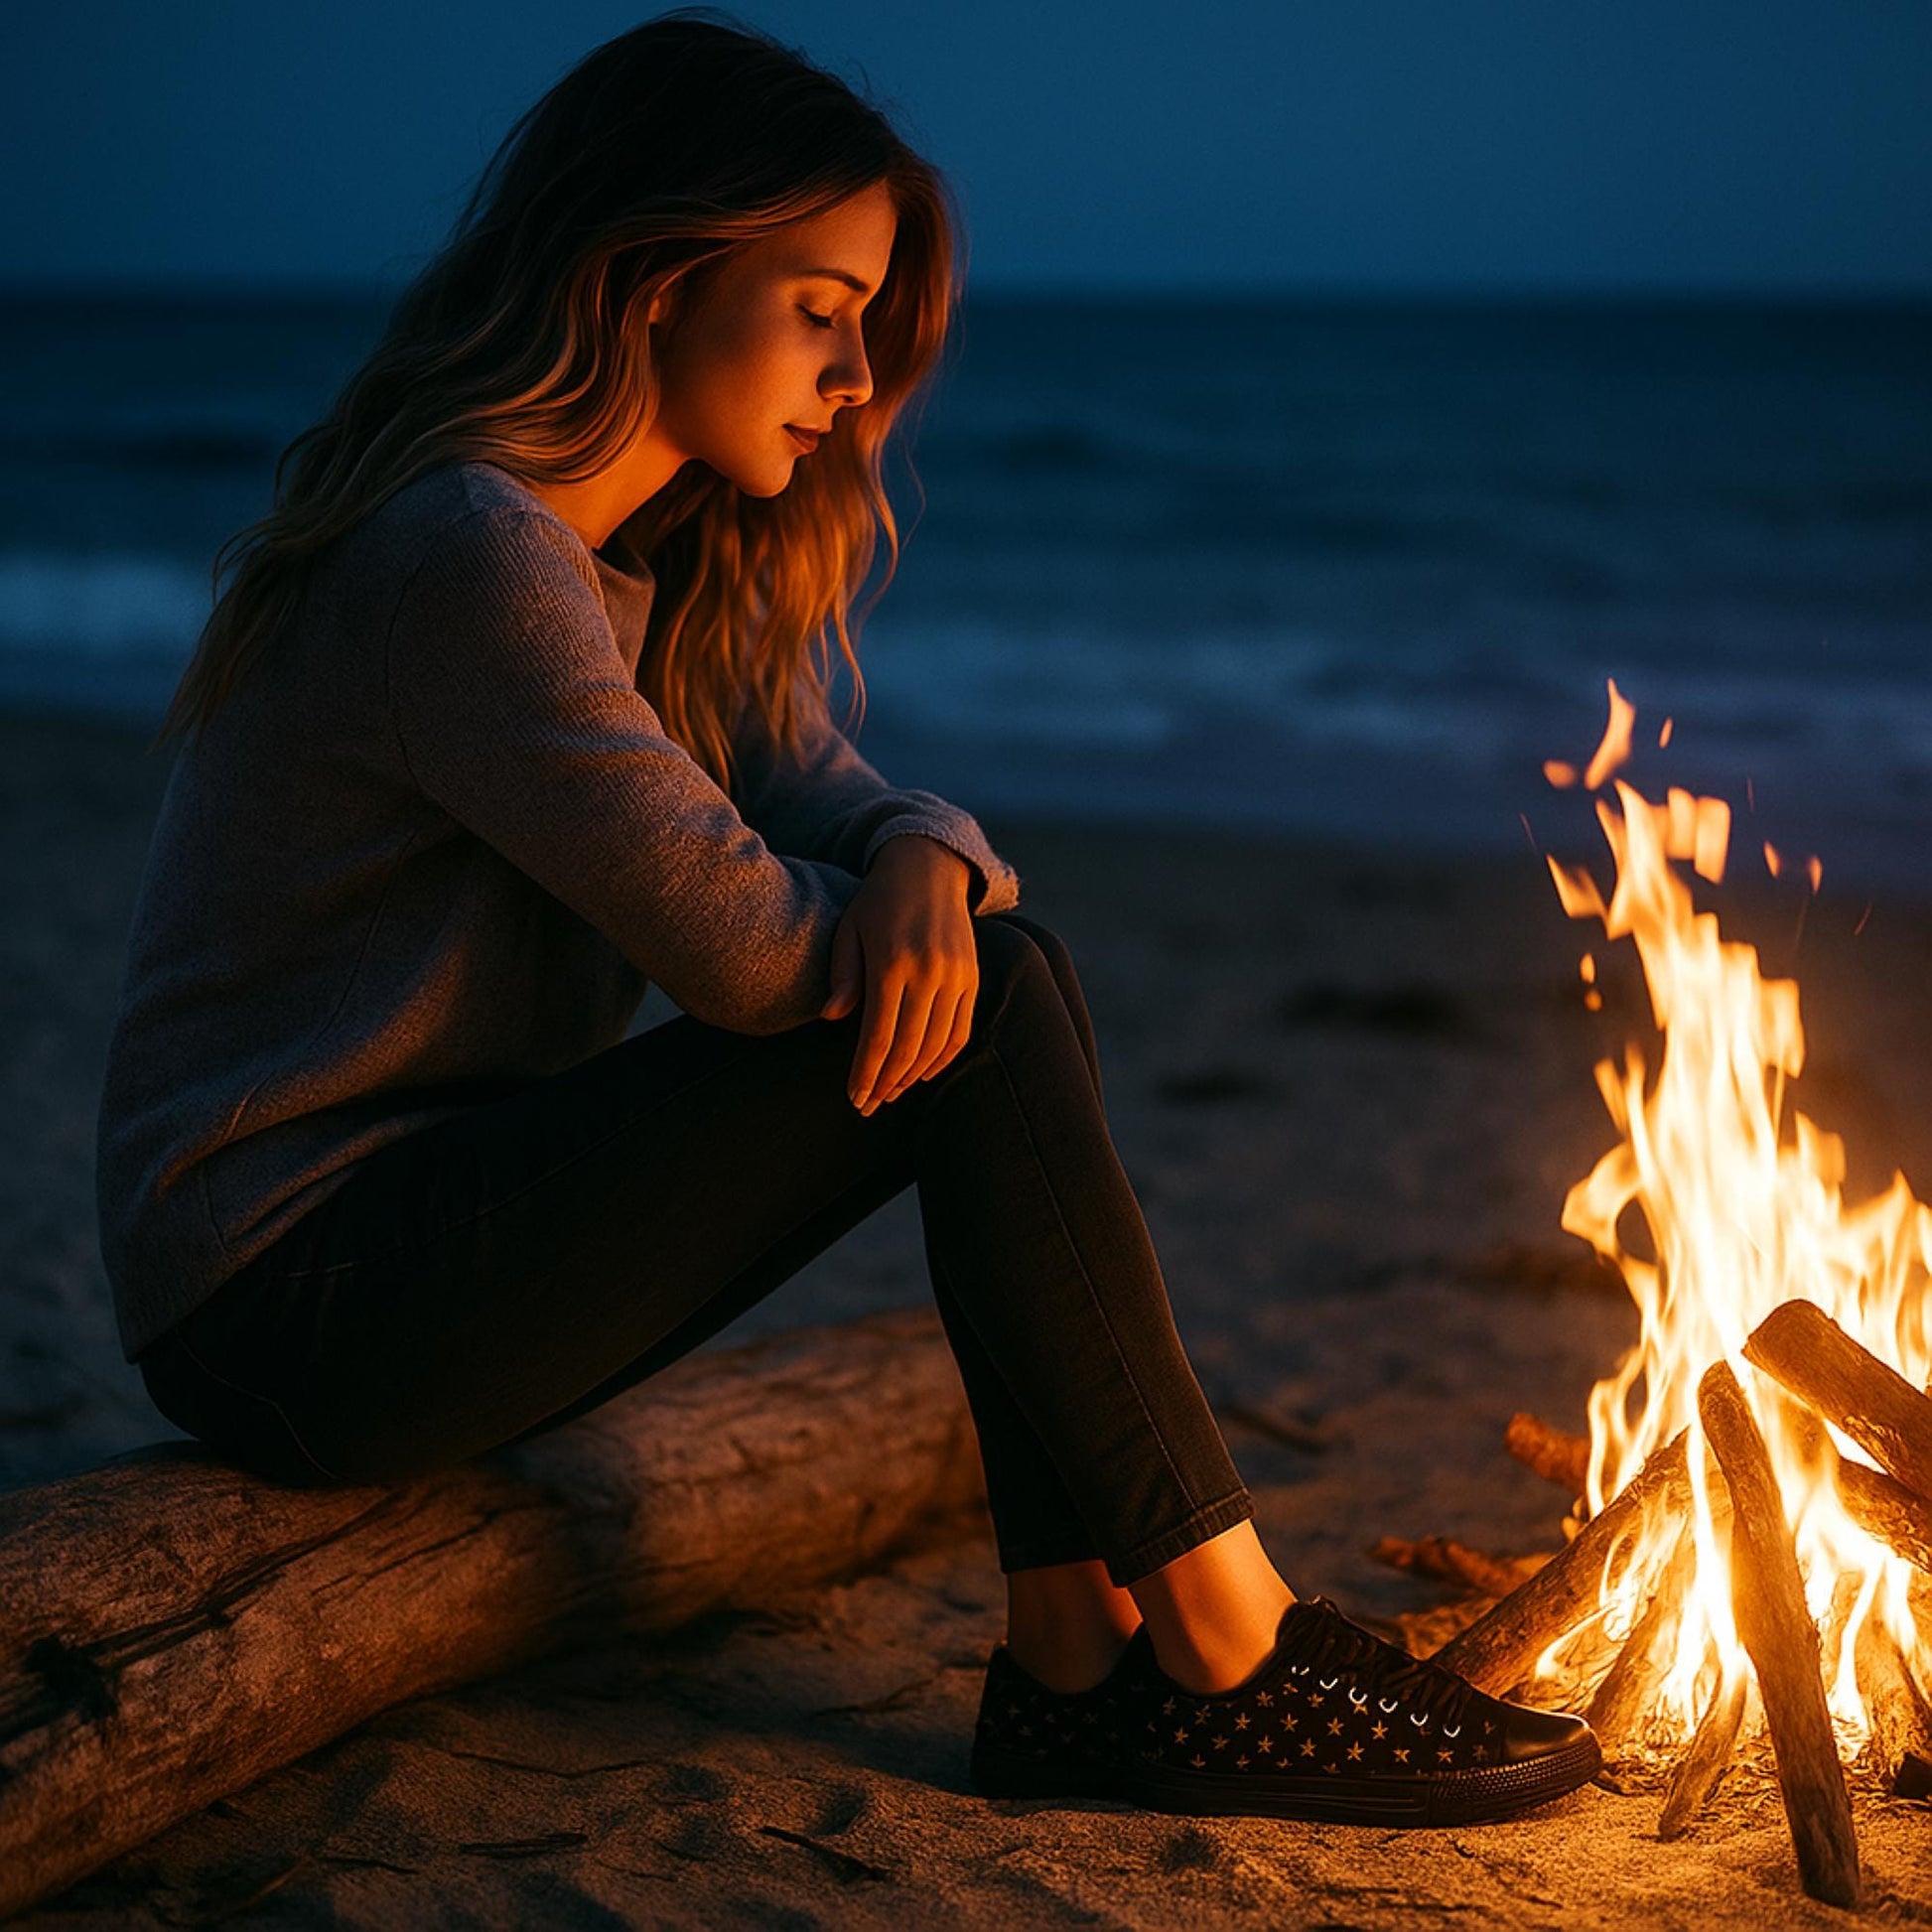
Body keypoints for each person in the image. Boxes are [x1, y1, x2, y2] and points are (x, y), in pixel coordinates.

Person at [96, 10, 1598, 1827]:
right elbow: (741, 955)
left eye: (870, 324)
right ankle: (1219, 1634)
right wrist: (920, 899)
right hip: (294, 1292)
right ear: (652, 277)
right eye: (819, 307)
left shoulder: (645, 564)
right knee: (993, 1006)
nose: (857, 375)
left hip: (431, 1229)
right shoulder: (468, 556)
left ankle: (1073, 1653)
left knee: (987, 976)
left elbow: (835, 792)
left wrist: (918, 857)